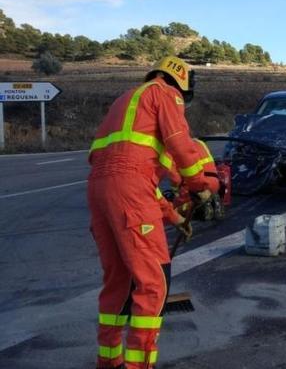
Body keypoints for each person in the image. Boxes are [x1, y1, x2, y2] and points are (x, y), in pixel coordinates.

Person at [88, 56, 216, 369]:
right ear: (182, 83)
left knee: (118, 281)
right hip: (129, 187)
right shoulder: (164, 94)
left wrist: (174, 217)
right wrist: (199, 184)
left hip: (100, 189)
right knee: (153, 283)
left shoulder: (126, 100)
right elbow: (180, 145)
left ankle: (109, 362)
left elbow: (138, 181)